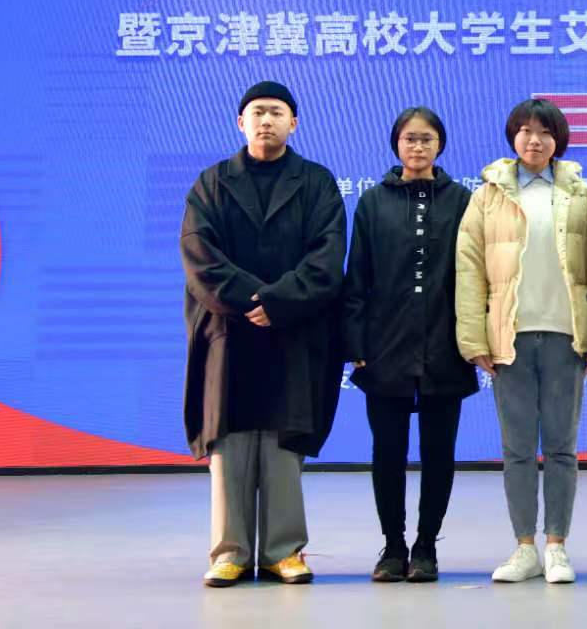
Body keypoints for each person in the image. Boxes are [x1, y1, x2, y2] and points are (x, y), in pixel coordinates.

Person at [181, 80, 346, 588]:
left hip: (291, 330)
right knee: (228, 441)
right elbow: (198, 252)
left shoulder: (316, 183)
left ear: (293, 122)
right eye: (257, 112)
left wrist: (278, 303)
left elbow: (327, 256)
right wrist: (252, 300)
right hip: (228, 332)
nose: (266, 120)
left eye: (276, 112)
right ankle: (229, 552)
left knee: (283, 442)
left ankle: (283, 551)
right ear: (241, 122)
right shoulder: (212, 182)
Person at [455, 98, 587, 585]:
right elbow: (469, 268)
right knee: (518, 449)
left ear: (558, 140)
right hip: (511, 338)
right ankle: (524, 547)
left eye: (545, 132)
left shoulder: (582, 195)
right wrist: (473, 337)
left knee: (562, 448)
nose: (535, 140)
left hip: (566, 336)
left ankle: (557, 546)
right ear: (513, 137)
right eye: (525, 131)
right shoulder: (487, 196)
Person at [341, 106, 474, 584]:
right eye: (409, 139)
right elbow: (357, 278)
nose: (418, 147)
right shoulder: (373, 202)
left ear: (441, 145)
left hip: (446, 345)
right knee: (388, 453)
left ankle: (426, 546)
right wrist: (355, 343)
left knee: (439, 454)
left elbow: (476, 276)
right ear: (396, 144)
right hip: (385, 347)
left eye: (427, 139)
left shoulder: (462, 200)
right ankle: (393, 547)